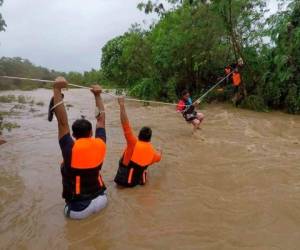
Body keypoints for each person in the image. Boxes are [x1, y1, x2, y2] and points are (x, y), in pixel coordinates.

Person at [51, 77, 107, 220]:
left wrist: (57, 89)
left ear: (73, 135)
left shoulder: (70, 148)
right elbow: (101, 119)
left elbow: (62, 123)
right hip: (101, 200)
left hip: (80, 209)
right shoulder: (100, 143)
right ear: (91, 133)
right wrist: (98, 95)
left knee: (64, 164)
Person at [114, 96, 162, 187]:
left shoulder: (133, 142)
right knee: (145, 169)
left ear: (139, 135)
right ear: (150, 139)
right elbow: (159, 157)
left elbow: (125, 124)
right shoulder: (153, 153)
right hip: (136, 184)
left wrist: (121, 105)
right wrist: (160, 149)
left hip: (122, 182)